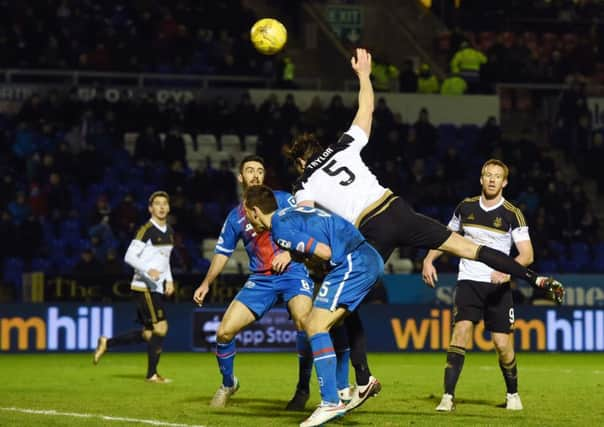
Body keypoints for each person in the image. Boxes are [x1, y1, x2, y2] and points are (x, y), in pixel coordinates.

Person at [285, 48, 563, 332]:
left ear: (299, 162)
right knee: (471, 248)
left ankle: (354, 366)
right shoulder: (341, 147)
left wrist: (301, 250)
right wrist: (364, 76)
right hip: (396, 209)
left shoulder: (302, 182)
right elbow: (366, 108)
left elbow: (308, 217)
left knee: (343, 305)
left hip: (371, 230)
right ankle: (534, 278)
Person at [243, 184, 384, 427]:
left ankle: (330, 401)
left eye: (247, 213)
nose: (247, 218)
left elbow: (325, 252)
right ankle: (343, 390)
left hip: (352, 262)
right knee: (333, 323)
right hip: (366, 257)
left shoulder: (279, 228)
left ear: (255, 211)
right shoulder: (292, 212)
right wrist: (300, 256)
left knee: (314, 325)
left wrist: (306, 257)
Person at [192, 155, 315, 408]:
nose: (255, 175)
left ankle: (302, 389)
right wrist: (206, 283)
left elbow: (309, 224)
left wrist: (291, 252)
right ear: (241, 177)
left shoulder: (282, 200)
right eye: (249, 170)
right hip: (261, 280)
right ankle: (228, 384)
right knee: (224, 332)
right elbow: (222, 253)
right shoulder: (235, 217)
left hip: (293, 272)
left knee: (305, 323)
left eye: (260, 170)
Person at [422, 159, 530, 412]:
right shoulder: (465, 207)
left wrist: (506, 271)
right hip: (468, 281)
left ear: (505, 182)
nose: (492, 179)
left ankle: (512, 394)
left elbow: (527, 254)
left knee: (502, 345)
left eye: (497, 176)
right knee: (460, 333)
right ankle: (447, 397)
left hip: (498, 286)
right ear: (481, 179)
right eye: (488, 175)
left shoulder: (512, 214)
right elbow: (447, 238)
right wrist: (428, 259)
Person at [93, 191, 175, 383]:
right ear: (150, 208)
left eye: (165, 203)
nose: (162, 207)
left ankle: (107, 343)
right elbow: (129, 256)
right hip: (143, 286)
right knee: (161, 327)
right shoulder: (145, 229)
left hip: (156, 287)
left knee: (148, 333)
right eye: (157, 204)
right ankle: (152, 375)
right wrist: (148, 270)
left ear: (169, 207)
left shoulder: (169, 231)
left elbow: (165, 260)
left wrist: (169, 279)